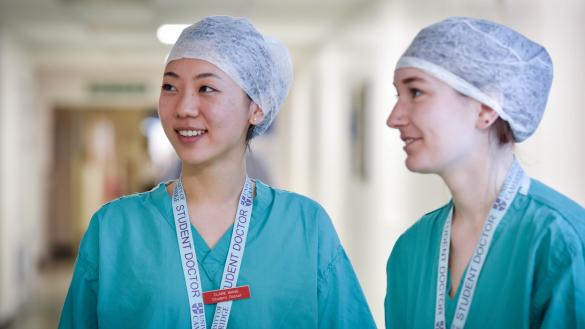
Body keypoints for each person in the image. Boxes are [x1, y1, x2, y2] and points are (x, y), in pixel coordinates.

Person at [59, 16, 376, 329]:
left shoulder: (305, 227)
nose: (184, 107)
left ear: (257, 107)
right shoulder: (115, 229)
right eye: (170, 86)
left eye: (206, 88)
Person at [384, 17, 585, 329]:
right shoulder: (410, 249)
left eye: (416, 92)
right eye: (397, 95)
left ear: (487, 107)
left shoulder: (560, 241)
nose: (394, 117)